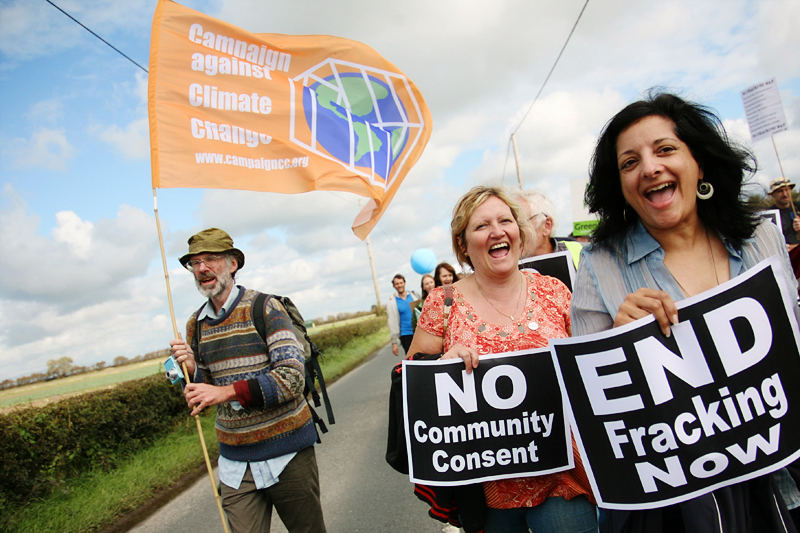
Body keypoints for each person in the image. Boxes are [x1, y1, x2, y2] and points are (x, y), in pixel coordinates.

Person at [572, 92, 800, 532]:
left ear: (699, 163)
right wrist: (618, 347)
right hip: (683, 508)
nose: (650, 168)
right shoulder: (600, 266)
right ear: (620, 186)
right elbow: (593, 420)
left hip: (786, 480)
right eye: (629, 162)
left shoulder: (760, 238)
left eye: (665, 149)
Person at [409, 186, 598, 533]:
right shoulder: (442, 302)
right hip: (485, 490)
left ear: (518, 231)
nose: (497, 231)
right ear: (462, 243)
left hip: (562, 477)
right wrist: (440, 368)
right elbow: (411, 384)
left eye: (505, 221)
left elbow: (590, 365)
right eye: (481, 226)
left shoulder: (554, 291)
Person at [168, 228, 326, 533]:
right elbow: (206, 388)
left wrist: (225, 393)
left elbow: (291, 378)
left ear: (232, 264)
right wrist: (190, 368)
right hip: (235, 461)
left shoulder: (265, 307)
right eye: (195, 263)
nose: (202, 268)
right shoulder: (194, 325)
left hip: (287, 452)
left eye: (211, 259)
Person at [508, 188, 583, 266]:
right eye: (507, 223)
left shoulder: (581, 253)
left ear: (547, 226)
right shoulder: (504, 265)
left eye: (520, 224)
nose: (513, 231)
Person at [387, 274, 419, 357]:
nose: (399, 285)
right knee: (411, 359)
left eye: (401, 283)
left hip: (418, 332)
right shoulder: (393, 303)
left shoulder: (414, 295)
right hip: (405, 335)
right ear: (394, 286)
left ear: (404, 283)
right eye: (397, 284)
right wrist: (394, 343)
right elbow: (392, 322)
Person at [768, 177, 800, 245]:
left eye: (787, 190)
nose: (785, 194)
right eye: (780, 191)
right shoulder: (769, 215)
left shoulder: (798, 207)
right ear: (773, 195)